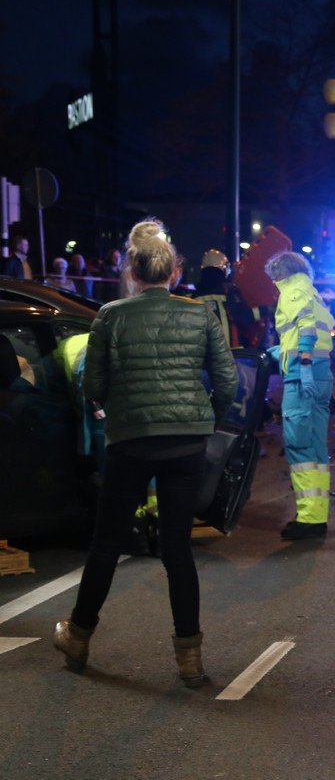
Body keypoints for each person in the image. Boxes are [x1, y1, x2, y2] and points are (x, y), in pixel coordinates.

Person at [52, 218, 238, 688]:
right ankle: (189, 659)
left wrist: (120, 403)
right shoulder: (199, 314)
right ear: (174, 271)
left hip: (131, 441)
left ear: (132, 271)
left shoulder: (110, 316)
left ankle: (77, 637)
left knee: (106, 545)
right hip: (186, 444)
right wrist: (206, 419)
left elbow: (94, 386)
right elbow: (229, 382)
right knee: (177, 550)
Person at [266, 251, 335, 541]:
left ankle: (308, 519)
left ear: (281, 273)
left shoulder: (293, 290)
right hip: (322, 377)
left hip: (302, 377)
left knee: (299, 446)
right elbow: (322, 327)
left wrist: (303, 362)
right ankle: (317, 516)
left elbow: (305, 326)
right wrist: (282, 352)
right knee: (316, 448)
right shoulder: (312, 291)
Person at [193, 249, 233, 343]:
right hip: (228, 351)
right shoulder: (228, 292)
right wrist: (264, 309)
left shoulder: (195, 297)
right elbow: (241, 315)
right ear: (222, 268)